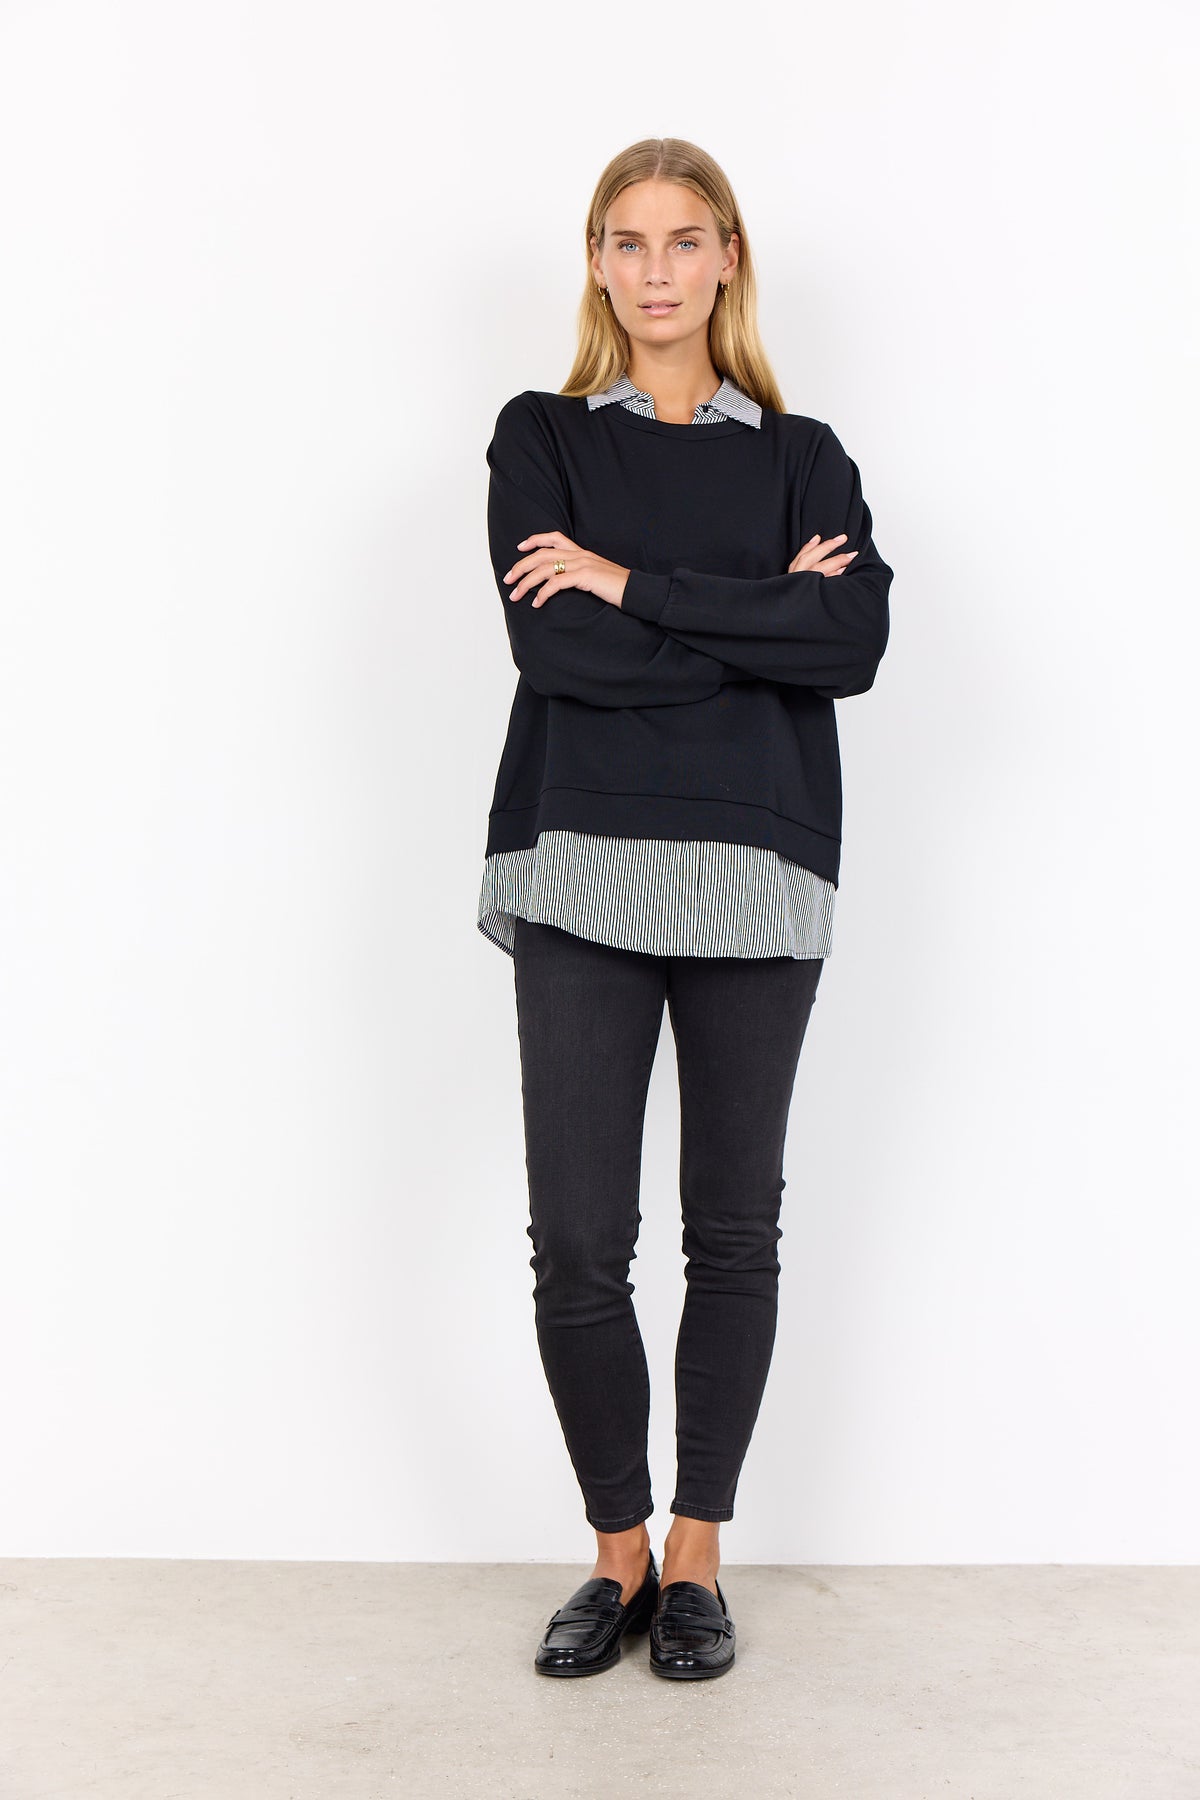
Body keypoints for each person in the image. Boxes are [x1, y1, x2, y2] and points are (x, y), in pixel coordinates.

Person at [476, 138, 894, 1680]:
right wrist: (760, 618)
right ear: (597, 264)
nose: (656, 270)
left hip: (757, 869)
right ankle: (618, 1552)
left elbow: (849, 645)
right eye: (626, 241)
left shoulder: (805, 457)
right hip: (580, 861)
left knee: (733, 1231)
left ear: (729, 259)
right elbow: (553, 654)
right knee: (581, 1242)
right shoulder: (542, 438)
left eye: (684, 239)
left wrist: (635, 585)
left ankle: (700, 1554)